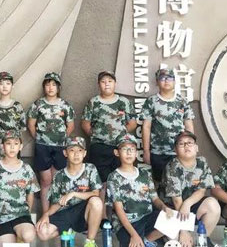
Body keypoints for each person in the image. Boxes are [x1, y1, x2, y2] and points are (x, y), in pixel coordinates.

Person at [81, 71, 136, 206]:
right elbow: (85, 124)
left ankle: (119, 212)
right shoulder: (93, 102)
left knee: (120, 179)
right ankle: (101, 214)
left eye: (110, 81)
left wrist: (119, 134)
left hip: (120, 147)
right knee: (101, 182)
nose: (107, 84)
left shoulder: (124, 102)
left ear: (115, 83)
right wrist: (98, 135)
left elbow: (132, 123)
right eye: (103, 81)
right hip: (99, 147)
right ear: (99, 84)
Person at [36, 136, 103, 247]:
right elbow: (57, 203)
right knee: (42, 232)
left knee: (96, 202)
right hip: (65, 212)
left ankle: (90, 242)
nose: (76, 154)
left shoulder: (90, 169)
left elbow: (95, 193)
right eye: (72, 150)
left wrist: (73, 194)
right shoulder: (59, 175)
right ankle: (69, 231)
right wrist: (45, 215)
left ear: (85, 153)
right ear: (65, 153)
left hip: (84, 212)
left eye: (80, 150)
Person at [107, 134, 171, 247]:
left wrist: (164, 207)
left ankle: (146, 240)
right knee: (133, 242)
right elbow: (119, 209)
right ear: (117, 152)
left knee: (173, 219)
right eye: (124, 149)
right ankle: (141, 239)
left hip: (146, 217)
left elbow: (155, 199)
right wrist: (134, 235)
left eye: (132, 149)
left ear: (136, 153)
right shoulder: (114, 177)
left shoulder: (145, 174)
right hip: (127, 223)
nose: (129, 152)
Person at [160, 131, 219, 247]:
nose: (186, 146)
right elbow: (176, 200)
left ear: (196, 148)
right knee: (176, 242)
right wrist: (184, 230)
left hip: (190, 207)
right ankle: (179, 235)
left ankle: (203, 239)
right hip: (172, 210)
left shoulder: (202, 162)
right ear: (175, 150)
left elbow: (201, 190)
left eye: (190, 143)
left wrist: (187, 204)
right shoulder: (172, 166)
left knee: (213, 204)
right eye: (181, 144)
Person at [0, 130, 40, 247]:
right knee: (6, 244)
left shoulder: (26, 169)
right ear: (2, 147)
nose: (12, 147)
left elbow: (30, 193)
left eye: (16, 143)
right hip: (0, 217)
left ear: (21, 146)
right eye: (8, 143)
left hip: (21, 214)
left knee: (29, 235)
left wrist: (27, 212)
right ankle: (13, 238)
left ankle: (20, 236)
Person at [27, 72, 75, 212]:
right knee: (45, 181)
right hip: (43, 147)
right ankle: (45, 214)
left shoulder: (65, 105)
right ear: (44, 87)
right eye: (48, 85)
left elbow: (70, 125)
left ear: (58, 87)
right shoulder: (38, 104)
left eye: (54, 85)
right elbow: (31, 124)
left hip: (60, 147)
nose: (50, 88)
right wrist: (40, 139)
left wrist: (60, 138)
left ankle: (56, 214)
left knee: (57, 181)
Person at [142, 68, 194, 182]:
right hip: (158, 152)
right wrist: (146, 151)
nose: (166, 81)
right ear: (157, 82)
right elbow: (146, 127)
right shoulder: (151, 101)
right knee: (159, 183)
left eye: (170, 78)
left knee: (180, 183)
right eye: (162, 78)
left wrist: (191, 147)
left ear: (174, 81)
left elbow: (189, 126)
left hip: (179, 151)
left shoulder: (182, 101)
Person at [0, 71, 26, 167]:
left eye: (8, 83)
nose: (4, 86)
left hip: (12, 151)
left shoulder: (17, 106)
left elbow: (21, 130)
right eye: (1, 84)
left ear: (12, 86)